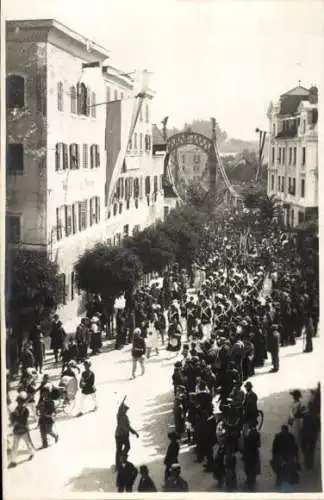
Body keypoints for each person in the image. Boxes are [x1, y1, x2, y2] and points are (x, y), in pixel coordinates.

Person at [8, 392, 34, 468]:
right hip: (16, 431)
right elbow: (12, 422)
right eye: (19, 401)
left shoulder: (26, 411)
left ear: (24, 402)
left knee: (28, 444)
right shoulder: (15, 410)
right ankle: (13, 461)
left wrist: (16, 417)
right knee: (14, 447)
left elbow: (23, 421)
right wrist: (12, 417)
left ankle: (32, 453)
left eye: (21, 401)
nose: (20, 403)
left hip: (24, 430)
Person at [271, 425, 299, 489]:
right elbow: (295, 447)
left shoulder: (278, 436)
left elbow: (274, 449)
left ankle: (279, 483)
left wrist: (274, 457)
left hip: (281, 457)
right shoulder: (291, 436)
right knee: (287, 469)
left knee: (279, 471)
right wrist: (296, 457)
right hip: (287, 456)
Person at [115, 396, 139, 468]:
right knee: (119, 450)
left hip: (125, 435)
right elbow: (120, 408)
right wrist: (123, 401)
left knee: (127, 447)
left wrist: (134, 432)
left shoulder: (125, 417)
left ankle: (122, 458)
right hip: (119, 435)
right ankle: (118, 464)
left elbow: (128, 426)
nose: (126, 410)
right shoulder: (119, 415)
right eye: (125, 409)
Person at [300, 401, 320, 470]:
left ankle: (308, 462)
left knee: (305, 449)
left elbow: (298, 415)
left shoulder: (306, 415)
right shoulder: (315, 417)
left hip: (306, 435)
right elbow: (318, 427)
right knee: (310, 450)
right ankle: (309, 463)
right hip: (312, 436)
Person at [242, 423, 261, 491]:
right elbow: (259, 444)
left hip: (248, 453)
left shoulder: (247, 436)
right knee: (253, 467)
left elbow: (243, 444)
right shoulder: (257, 434)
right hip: (253, 453)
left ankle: (249, 480)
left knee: (248, 467)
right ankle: (252, 480)